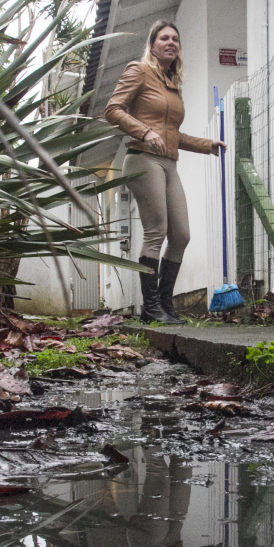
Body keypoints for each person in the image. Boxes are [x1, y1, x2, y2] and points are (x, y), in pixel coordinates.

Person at [104, 19, 225, 324]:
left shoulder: (172, 84)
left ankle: (166, 305)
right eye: (164, 38)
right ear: (152, 44)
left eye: (175, 39)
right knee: (156, 231)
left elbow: (172, 134)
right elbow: (113, 109)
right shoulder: (139, 70)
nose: (171, 43)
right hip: (143, 158)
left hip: (168, 162)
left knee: (181, 234)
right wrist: (143, 132)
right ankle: (151, 307)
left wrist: (205, 144)